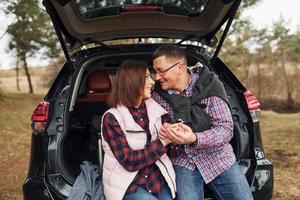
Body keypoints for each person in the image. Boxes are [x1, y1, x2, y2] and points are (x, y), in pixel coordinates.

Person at [151, 44, 253, 200]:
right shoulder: (156, 96)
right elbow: (148, 127)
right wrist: (163, 131)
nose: (157, 77)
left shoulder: (210, 86)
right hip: (182, 161)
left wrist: (194, 139)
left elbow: (226, 129)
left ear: (179, 67)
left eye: (161, 71)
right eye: (155, 72)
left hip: (218, 158)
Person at [100, 60, 176, 200]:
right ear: (133, 81)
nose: (153, 82)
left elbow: (172, 146)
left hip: (158, 180)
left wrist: (174, 133)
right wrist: (163, 142)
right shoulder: (111, 118)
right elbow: (129, 161)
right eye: (147, 77)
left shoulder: (156, 108)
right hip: (129, 184)